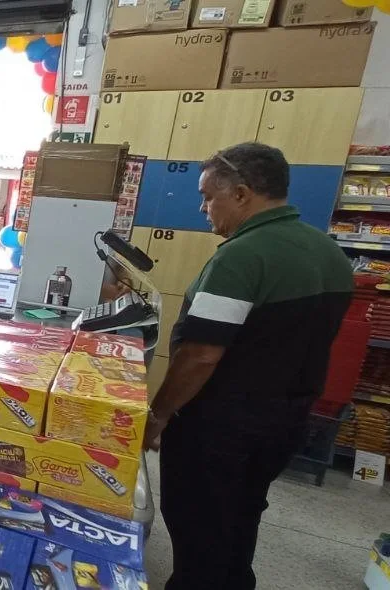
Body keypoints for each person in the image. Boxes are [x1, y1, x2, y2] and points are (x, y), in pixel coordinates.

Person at [145, 142, 352, 590]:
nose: (202, 208)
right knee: (240, 516)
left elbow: (201, 354)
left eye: (207, 197)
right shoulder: (329, 253)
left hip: (220, 427)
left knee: (198, 525)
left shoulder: (241, 256)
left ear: (241, 194)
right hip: (286, 421)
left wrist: (158, 414)